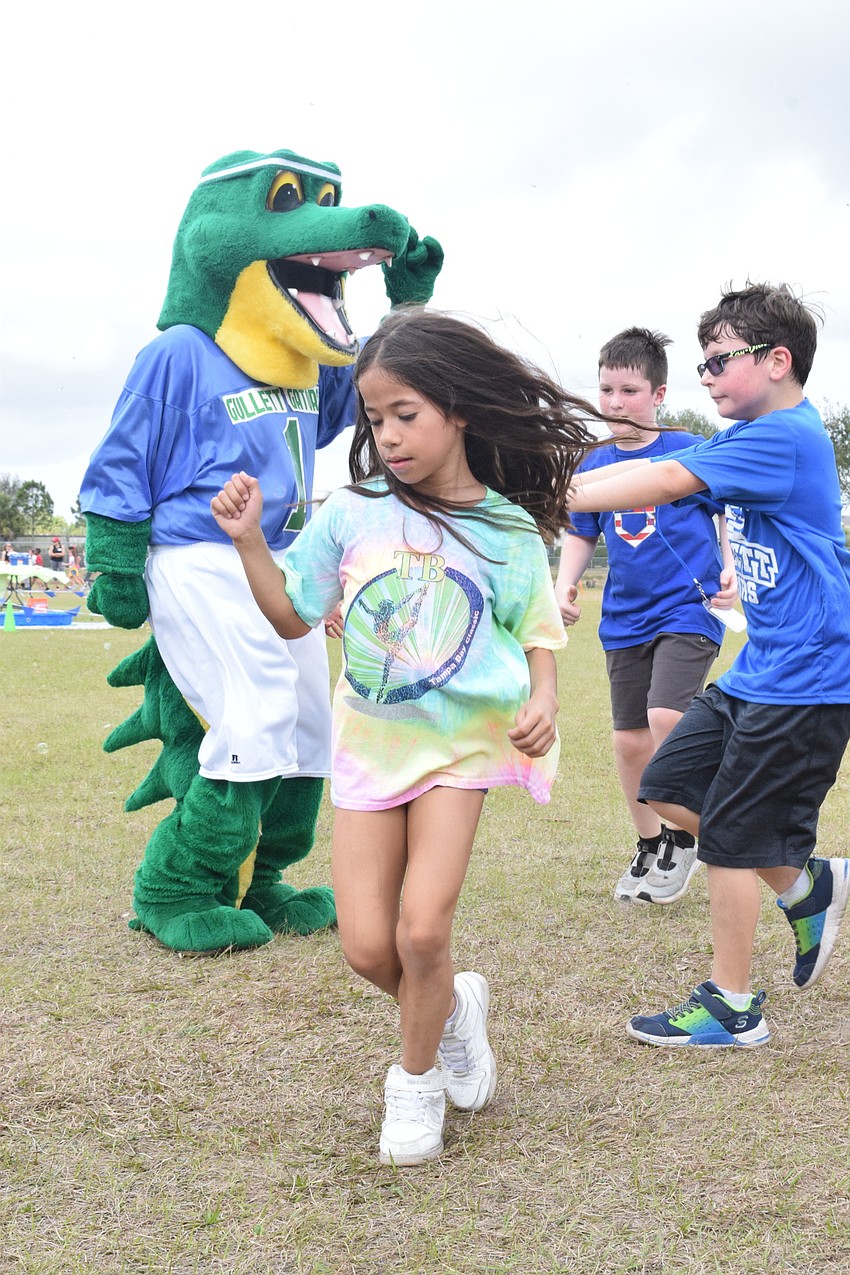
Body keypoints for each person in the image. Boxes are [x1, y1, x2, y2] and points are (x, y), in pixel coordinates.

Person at [212, 308, 604, 1164]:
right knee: (366, 948)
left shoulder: (505, 529)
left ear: (458, 410)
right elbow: (292, 615)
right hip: (371, 749)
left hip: (462, 747)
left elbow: (537, 630)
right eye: (374, 417)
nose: (386, 434)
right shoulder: (351, 513)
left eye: (406, 414)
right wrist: (247, 542)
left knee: (422, 931)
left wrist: (545, 697)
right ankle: (454, 1009)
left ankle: (416, 1083)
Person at [568, 282, 850, 1048]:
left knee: (729, 831)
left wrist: (560, 488)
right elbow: (657, 472)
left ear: (777, 360)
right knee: (667, 784)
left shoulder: (785, 436)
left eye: (720, 360)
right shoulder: (744, 435)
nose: (708, 376)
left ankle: (733, 1007)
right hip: (761, 670)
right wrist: (565, 484)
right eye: (703, 364)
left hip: (808, 679)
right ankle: (805, 882)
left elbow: (664, 480)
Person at [555, 328, 737, 904]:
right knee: (630, 740)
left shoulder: (689, 448)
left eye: (629, 391)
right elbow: (580, 533)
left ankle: (685, 836)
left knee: (665, 714)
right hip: (624, 618)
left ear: (658, 394)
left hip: (688, 608)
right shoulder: (594, 463)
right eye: (606, 390)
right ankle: (650, 842)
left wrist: (731, 567)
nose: (615, 402)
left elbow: (727, 510)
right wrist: (562, 584)